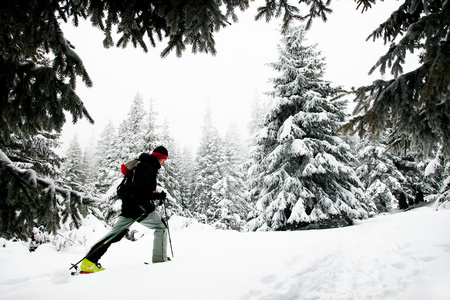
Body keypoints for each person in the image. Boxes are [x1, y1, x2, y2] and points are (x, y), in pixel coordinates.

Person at [80, 146, 170, 273]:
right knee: (161, 228)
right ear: (160, 157)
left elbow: (139, 190)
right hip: (138, 207)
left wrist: (156, 195)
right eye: (164, 159)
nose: (164, 162)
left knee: (114, 234)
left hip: (129, 206)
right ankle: (159, 261)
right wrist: (153, 199)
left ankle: (88, 262)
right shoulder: (148, 167)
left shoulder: (142, 165)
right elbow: (139, 192)